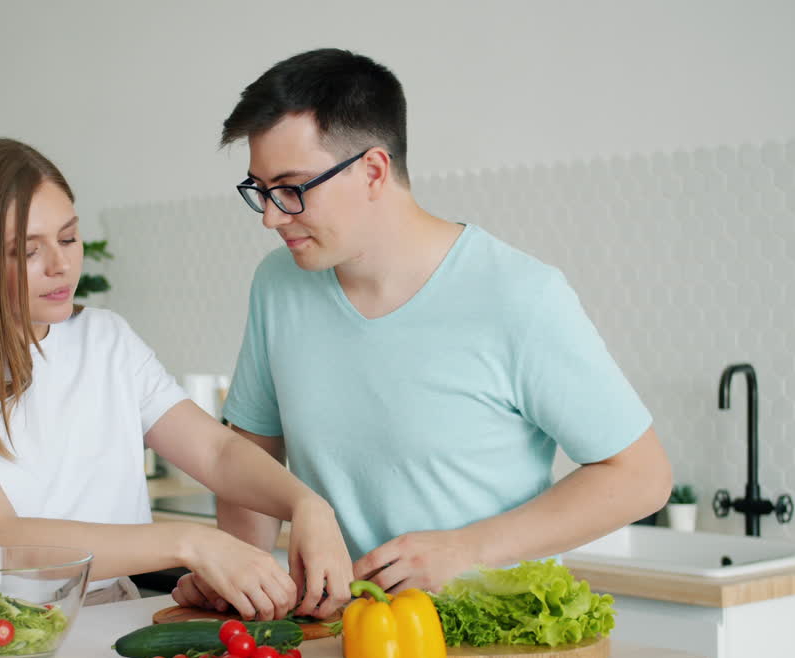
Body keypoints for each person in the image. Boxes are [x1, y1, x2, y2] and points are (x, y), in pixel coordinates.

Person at [173, 49, 671, 613]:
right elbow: (252, 456)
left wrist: (466, 550)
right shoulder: (277, 285)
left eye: (291, 188)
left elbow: (642, 476)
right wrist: (242, 578)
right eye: (260, 190)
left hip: (496, 654)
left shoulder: (518, 295)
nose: (271, 216)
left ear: (373, 171)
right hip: (348, 649)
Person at [0, 138, 353, 628]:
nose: (60, 265)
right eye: (26, 250)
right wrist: (192, 543)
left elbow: (217, 453)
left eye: (67, 238)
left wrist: (307, 504)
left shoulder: (106, 339)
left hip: (109, 619)